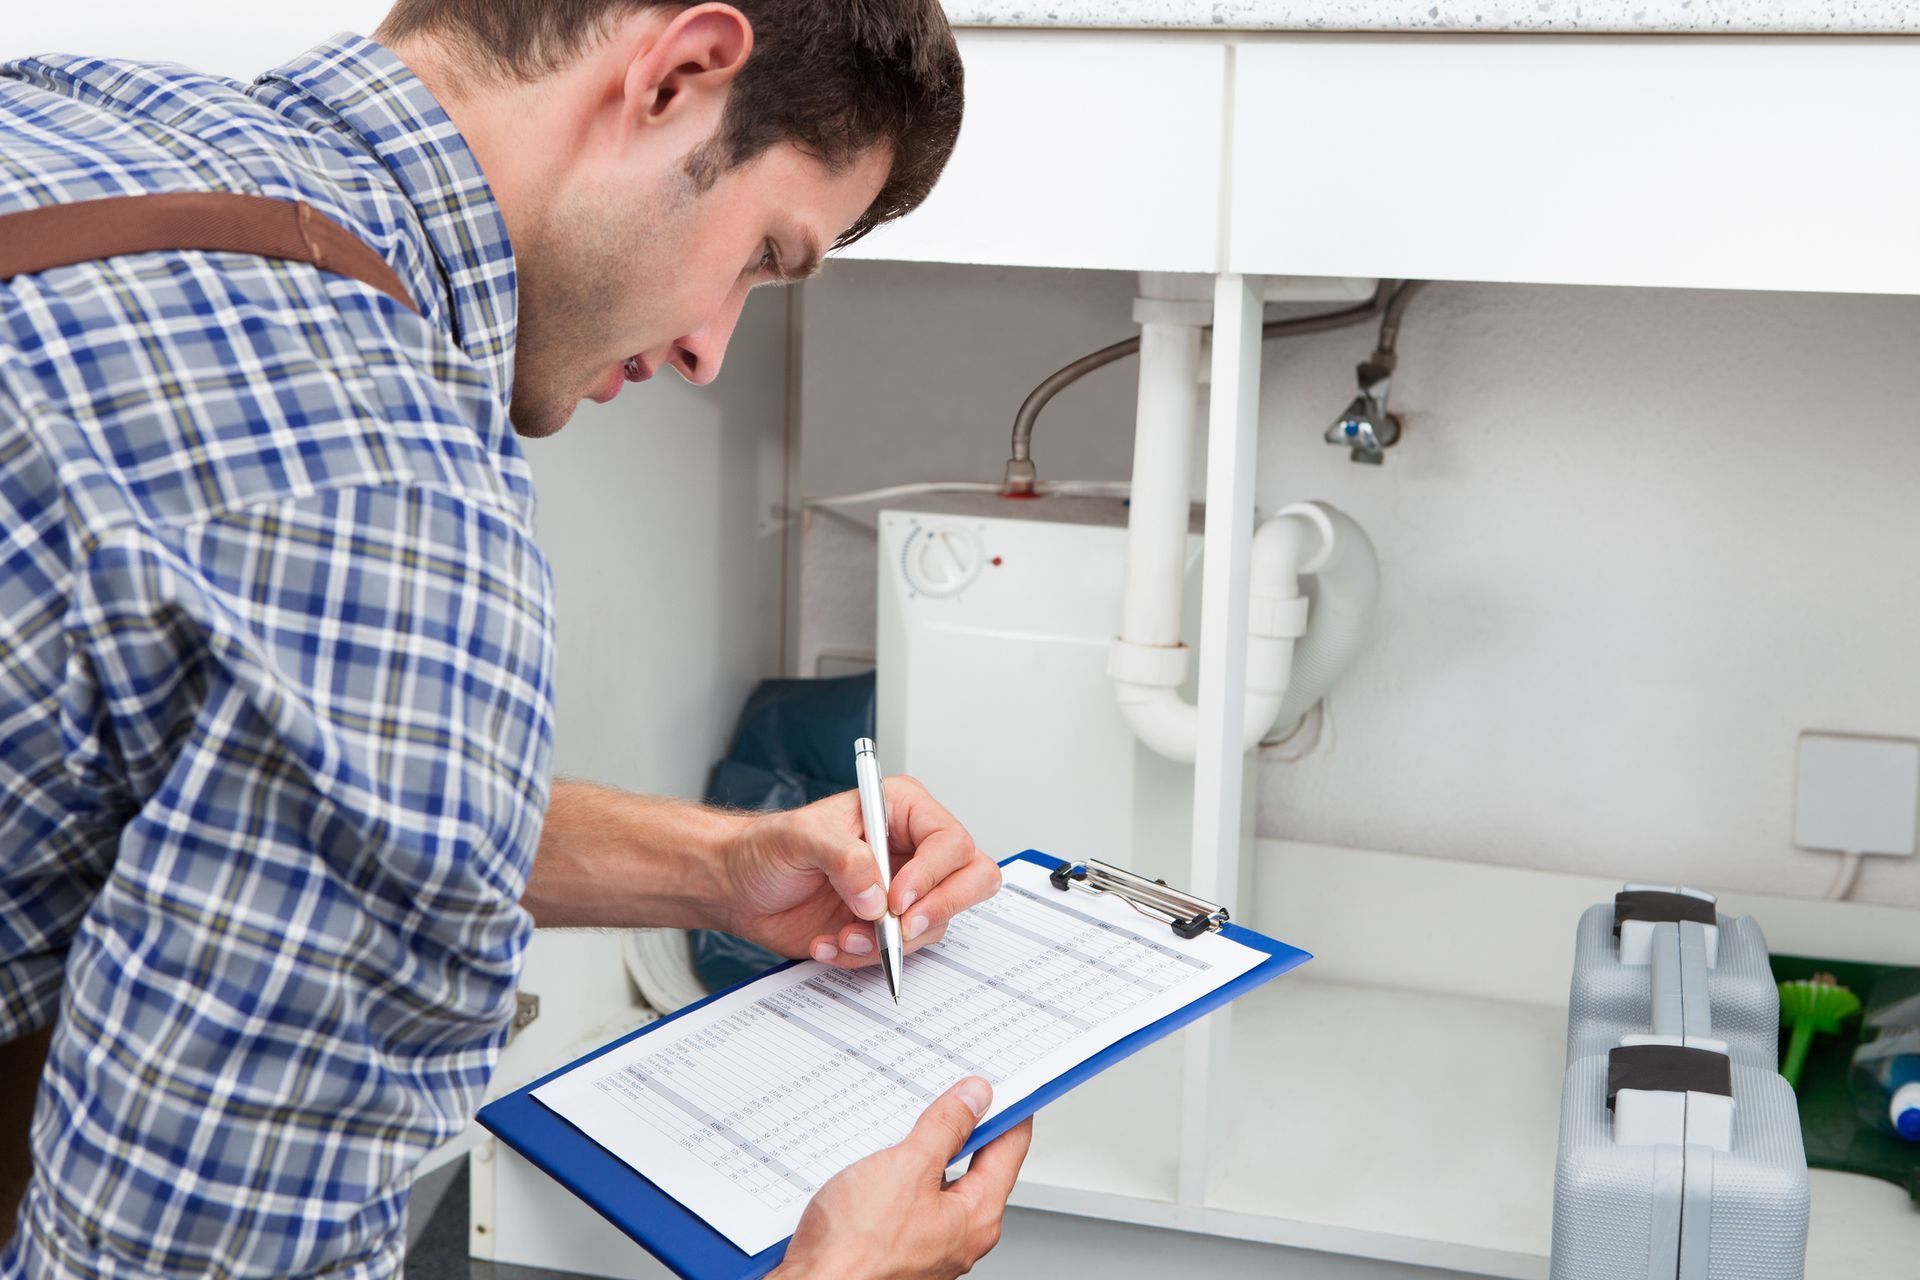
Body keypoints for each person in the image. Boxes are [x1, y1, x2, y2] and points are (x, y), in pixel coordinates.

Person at [0, 2, 1032, 1277]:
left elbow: (208, 749)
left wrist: (714, 864)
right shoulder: (393, 511)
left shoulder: (74, 113)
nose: (711, 349)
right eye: (764, 252)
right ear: (678, 76)